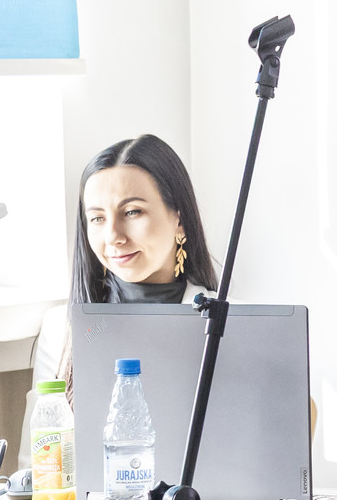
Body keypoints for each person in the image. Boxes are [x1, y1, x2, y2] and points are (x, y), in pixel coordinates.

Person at [54, 134, 219, 396]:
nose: (113, 236)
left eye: (132, 212)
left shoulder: (233, 324)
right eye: (97, 218)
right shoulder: (61, 329)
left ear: (180, 219)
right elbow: (45, 421)